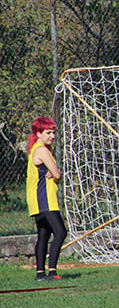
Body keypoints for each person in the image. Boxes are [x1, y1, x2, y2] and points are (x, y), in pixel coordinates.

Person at [26, 116, 67, 282]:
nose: (52, 136)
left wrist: (53, 172)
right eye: (48, 132)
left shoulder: (36, 149)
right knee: (60, 232)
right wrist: (55, 173)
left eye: (53, 132)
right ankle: (52, 272)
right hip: (45, 200)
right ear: (38, 133)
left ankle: (40, 274)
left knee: (44, 235)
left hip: (37, 200)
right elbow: (57, 174)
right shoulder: (42, 150)